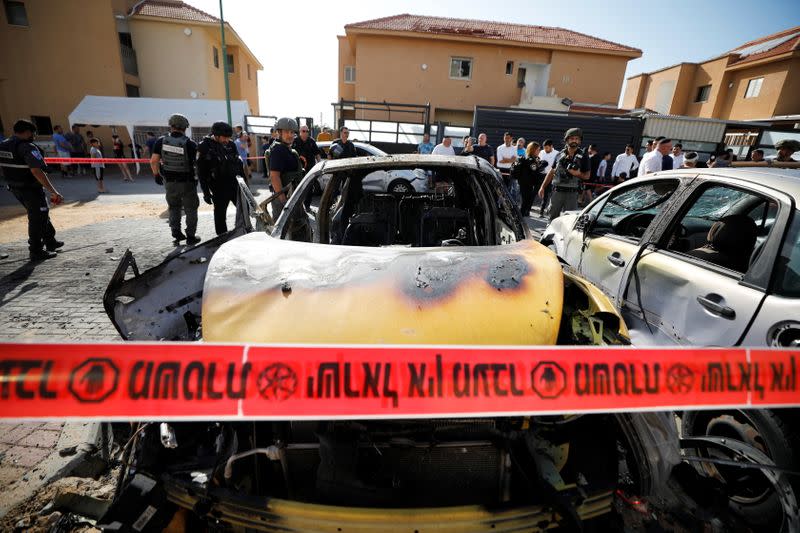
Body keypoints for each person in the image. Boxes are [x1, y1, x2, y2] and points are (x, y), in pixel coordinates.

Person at [0, 119, 64, 260]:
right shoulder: (27, 147)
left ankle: (50, 241)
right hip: (30, 188)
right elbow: (37, 171)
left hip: (15, 187)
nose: (34, 136)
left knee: (41, 213)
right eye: (33, 133)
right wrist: (53, 190)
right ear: (28, 132)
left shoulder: (3, 145)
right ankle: (36, 250)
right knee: (38, 217)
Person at [151, 113, 200, 244]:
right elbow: (197, 164)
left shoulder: (161, 141)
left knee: (174, 207)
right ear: (185, 128)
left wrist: (156, 175)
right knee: (191, 209)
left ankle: (176, 232)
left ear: (171, 126)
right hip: (187, 183)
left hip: (170, 182)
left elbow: (154, 161)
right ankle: (191, 236)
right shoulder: (190, 143)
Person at [198, 121, 243, 236]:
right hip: (218, 187)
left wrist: (244, 184)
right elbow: (201, 172)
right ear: (216, 135)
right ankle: (222, 237)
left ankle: (242, 231)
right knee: (220, 215)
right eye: (224, 137)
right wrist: (206, 192)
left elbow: (238, 164)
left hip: (234, 185)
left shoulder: (231, 145)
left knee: (243, 210)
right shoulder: (204, 146)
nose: (227, 140)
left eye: (229, 137)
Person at [538, 127, 590, 221]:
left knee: (569, 220)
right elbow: (551, 171)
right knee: (552, 217)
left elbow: (587, 176)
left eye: (577, 139)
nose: (574, 141)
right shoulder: (559, 155)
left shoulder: (583, 156)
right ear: (567, 140)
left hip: (572, 193)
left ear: (580, 141)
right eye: (572, 138)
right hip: (557, 191)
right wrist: (542, 187)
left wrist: (577, 173)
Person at [268, 117, 305, 214]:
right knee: (285, 229)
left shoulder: (287, 149)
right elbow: (274, 176)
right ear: (279, 133)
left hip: (292, 196)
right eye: (286, 132)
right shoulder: (278, 150)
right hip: (283, 199)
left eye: (292, 132)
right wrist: (284, 202)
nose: (290, 135)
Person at [514, 141, 548, 217]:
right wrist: (542, 165)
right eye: (538, 150)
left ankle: (524, 213)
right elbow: (535, 170)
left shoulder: (531, 158)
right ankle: (521, 215)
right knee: (526, 199)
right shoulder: (530, 159)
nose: (539, 151)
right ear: (533, 149)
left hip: (527, 182)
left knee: (528, 199)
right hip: (526, 183)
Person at [292, 124, 322, 208]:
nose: (305, 133)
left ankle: (307, 206)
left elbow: (317, 154)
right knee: (297, 189)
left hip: (310, 169)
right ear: (300, 132)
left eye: (307, 131)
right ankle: (297, 207)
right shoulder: (295, 141)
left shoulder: (311, 141)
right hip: (297, 170)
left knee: (309, 188)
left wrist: (320, 166)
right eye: (303, 131)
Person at [538, 139, 558, 217]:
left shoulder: (557, 153)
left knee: (553, 194)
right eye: (544, 147)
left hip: (553, 176)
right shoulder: (541, 152)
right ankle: (541, 211)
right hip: (542, 175)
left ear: (551, 146)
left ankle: (551, 210)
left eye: (547, 147)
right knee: (544, 193)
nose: (545, 149)